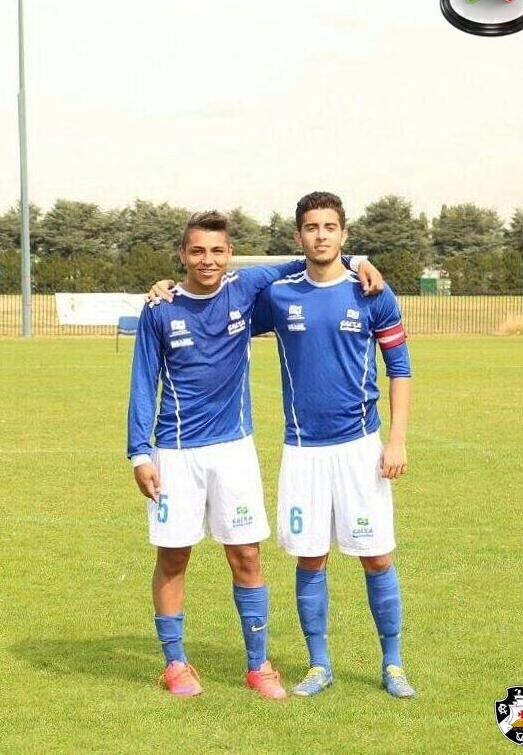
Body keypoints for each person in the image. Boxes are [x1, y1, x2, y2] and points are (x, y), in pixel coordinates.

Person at [128, 209, 382, 699]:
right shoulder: (159, 309)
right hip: (175, 453)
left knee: (246, 554)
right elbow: (143, 383)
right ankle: (175, 663)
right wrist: (140, 453)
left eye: (217, 250)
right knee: (174, 556)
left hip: (235, 450)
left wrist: (360, 258)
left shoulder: (244, 289)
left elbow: (310, 256)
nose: (208, 260)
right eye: (197, 251)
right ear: (182, 255)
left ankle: (257, 664)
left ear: (230, 255)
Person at [250, 192, 416, 698]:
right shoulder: (280, 295)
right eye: (310, 227)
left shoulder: (373, 294)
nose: (320, 235)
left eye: (329, 227)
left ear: (344, 234)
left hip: (361, 449)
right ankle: (319, 664)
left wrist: (397, 440)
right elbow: (220, 310)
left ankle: (392, 663)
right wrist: (168, 289)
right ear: (298, 236)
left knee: (377, 557)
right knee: (310, 557)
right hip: (302, 452)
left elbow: (400, 369)